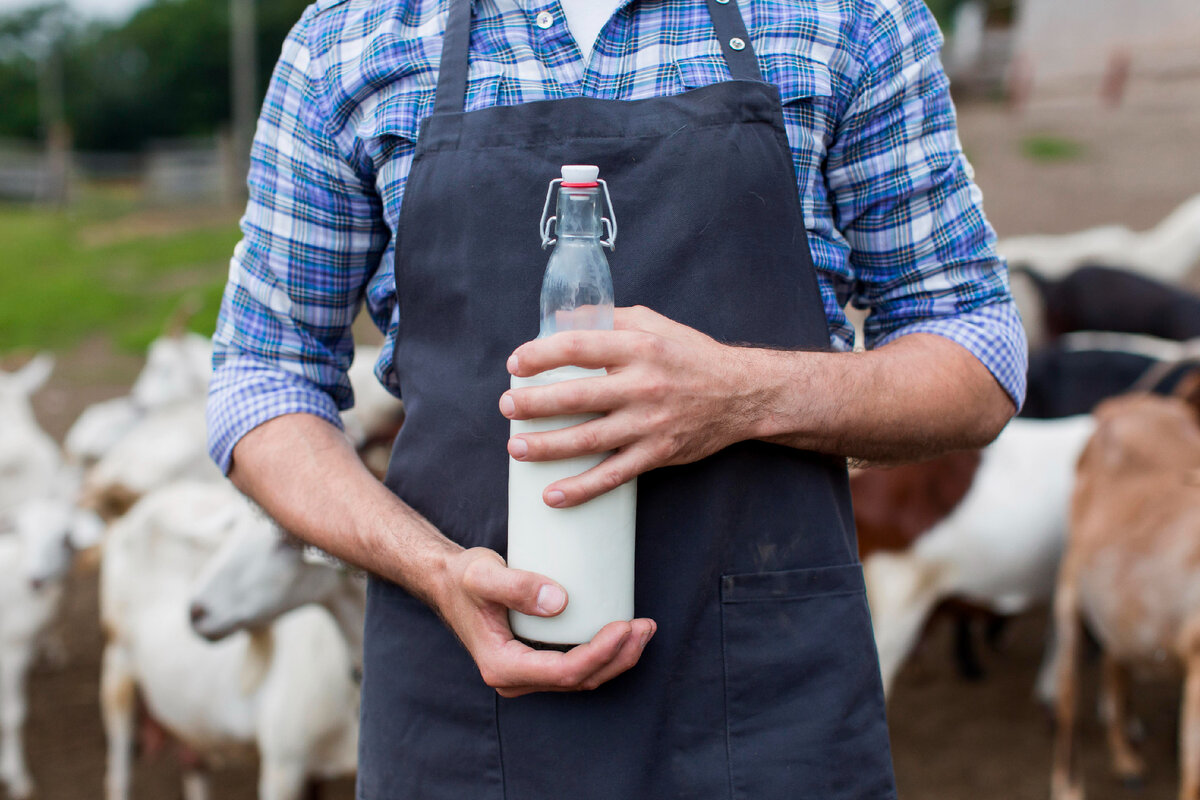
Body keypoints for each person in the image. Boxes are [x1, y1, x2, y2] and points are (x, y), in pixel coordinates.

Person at [207, 0, 1026, 797]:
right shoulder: (348, 38)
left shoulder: (850, 16)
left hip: (767, 705)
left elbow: (976, 354)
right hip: (461, 719)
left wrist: (745, 395)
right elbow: (260, 377)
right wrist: (434, 570)